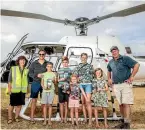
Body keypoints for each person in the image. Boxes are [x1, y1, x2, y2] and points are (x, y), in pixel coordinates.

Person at [107, 46, 140, 129]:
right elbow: (108, 70)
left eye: (115, 51)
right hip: (116, 85)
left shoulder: (125, 58)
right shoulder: (111, 62)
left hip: (125, 84)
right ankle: (122, 122)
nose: (114, 52)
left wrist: (132, 77)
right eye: (112, 51)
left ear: (118, 51)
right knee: (121, 104)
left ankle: (127, 124)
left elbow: (137, 65)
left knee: (126, 103)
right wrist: (109, 78)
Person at [73, 53, 94, 126]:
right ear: (80, 58)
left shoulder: (90, 66)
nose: (84, 59)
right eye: (82, 57)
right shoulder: (78, 67)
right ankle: (85, 119)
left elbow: (93, 76)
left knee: (88, 102)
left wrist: (93, 87)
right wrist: (77, 78)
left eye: (85, 57)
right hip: (81, 85)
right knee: (83, 103)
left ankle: (90, 121)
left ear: (87, 58)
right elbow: (74, 76)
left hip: (88, 85)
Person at [7, 56, 28, 124]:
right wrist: (9, 89)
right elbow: (9, 80)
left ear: (25, 62)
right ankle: (10, 118)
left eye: (24, 60)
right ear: (18, 61)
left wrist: (27, 90)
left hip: (22, 91)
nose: (22, 61)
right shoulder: (13, 68)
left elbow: (26, 80)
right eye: (21, 60)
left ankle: (16, 117)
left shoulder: (26, 70)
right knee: (12, 104)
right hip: (14, 90)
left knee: (19, 105)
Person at [29, 50, 48, 123]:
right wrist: (36, 75)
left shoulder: (48, 63)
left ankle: (44, 116)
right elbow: (30, 73)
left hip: (44, 84)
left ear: (45, 55)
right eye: (40, 54)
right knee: (34, 100)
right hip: (35, 83)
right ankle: (32, 117)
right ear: (38, 55)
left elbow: (50, 72)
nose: (41, 55)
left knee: (44, 101)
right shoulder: (33, 63)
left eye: (43, 54)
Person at [57, 56, 72, 123]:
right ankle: (62, 118)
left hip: (67, 88)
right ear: (62, 63)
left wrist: (70, 87)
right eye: (63, 62)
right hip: (60, 87)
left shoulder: (70, 70)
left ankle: (65, 118)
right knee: (61, 103)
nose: (65, 63)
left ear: (68, 63)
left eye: (66, 62)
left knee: (66, 103)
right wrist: (60, 79)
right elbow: (57, 79)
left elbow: (72, 80)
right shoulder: (59, 70)